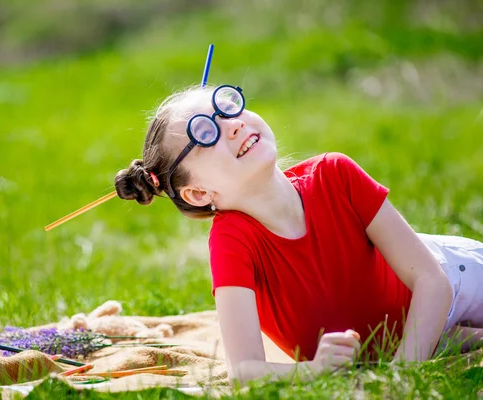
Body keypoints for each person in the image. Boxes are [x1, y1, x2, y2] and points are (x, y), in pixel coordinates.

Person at [114, 84, 483, 385]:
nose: (233, 124)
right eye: (206, 133)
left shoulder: (336, 175)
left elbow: (433, 283)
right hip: (394, 337)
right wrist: (315, 369)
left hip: (452, 277)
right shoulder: (232, 243)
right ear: (198, 193)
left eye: (227, 107)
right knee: (433, 341)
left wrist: (400, 379)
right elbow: (244, 370)